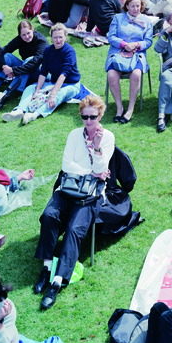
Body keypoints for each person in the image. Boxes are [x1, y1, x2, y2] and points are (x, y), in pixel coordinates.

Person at [35, 95, 114, 309]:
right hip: (68, 189)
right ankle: (46, 267)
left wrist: (97, 148)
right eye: (84, 117)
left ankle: (57, 282)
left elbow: (101, 170)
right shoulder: (73, 135)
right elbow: (66, 165)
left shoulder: (107, 137)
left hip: (91, 194)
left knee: (74, 230)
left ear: (100, 115)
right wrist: (90, 172)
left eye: (93, 117)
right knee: (49, 215)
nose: (88, 121)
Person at [8, 22, 82, 124]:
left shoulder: (69, 51)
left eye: (61, 37)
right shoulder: (48, 50)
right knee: (30, 88)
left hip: (71, 84)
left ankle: (34, 115)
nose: (58, 40)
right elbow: (43, 72)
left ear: (65, 37)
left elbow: (63, 74)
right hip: (53, 82)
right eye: (55, 37)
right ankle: (20, 110)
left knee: (59, 94)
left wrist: (52, 94)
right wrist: (37, 91)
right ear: (51, 38)